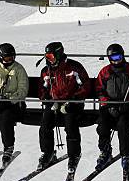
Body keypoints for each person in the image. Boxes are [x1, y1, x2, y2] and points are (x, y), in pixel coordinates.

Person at [37, 42, 92, 172]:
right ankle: (48, 152)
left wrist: (73, 100)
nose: (48, 60)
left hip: (73, 103)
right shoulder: (46, 71)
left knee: (70, 123)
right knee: (45, 124)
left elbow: (85, 86)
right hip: (55, 104)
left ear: (58, 54)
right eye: (47, 57)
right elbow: (42, 89)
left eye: (50, 56)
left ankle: (73, 155)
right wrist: (47, 100)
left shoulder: (74, 68)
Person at [95, 44, 129, 171]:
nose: (116, 60)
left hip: (126, 106)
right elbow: (99, 90)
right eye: (113, 57)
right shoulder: (105, 72)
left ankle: (125, 153)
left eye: (118, 57)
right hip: (109, 106)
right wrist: (108, 104)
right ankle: (105, 151)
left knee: (123, 124)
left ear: (122, 55)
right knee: (103, 124)